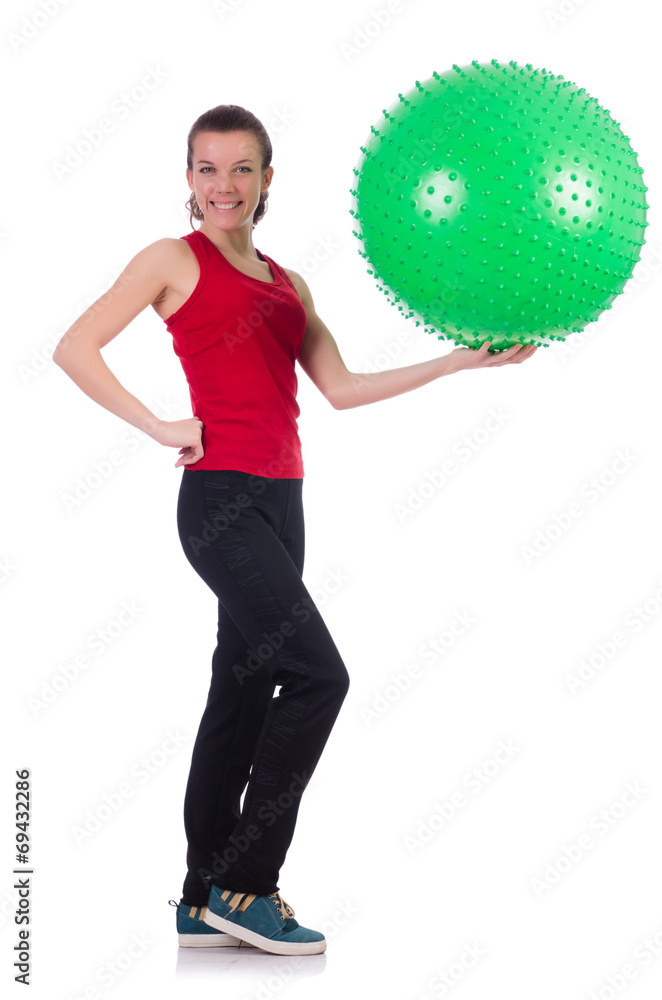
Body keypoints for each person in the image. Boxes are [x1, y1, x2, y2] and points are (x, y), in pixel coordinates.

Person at [52, 103, 538, 957]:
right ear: (188, 179)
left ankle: (201, 898)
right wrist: (161, 424)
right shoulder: (173, 259)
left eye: (241, 169)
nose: (223, 186)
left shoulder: (287, 284)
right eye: (207, 169)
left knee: (239, 694)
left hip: (284, 502)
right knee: (320, 677)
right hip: (220, 501)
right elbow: (75, 347)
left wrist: (461, 359)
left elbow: (341, 388)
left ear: (268, 180)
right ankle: (250, 884)